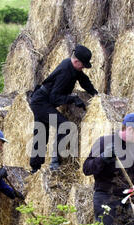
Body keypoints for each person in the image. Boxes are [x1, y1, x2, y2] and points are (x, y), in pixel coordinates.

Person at [30, 44, 98, 173]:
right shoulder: (66, 72)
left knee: (41, 133)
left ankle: (35, 168)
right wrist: (72, 98)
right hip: (41, 102)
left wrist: (95, 94)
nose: (83, 67)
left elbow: (83, 80)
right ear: (76, 61)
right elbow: (55, 98)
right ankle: (55, 160)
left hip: (43, 100)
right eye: (83, 64)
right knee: (65, 126)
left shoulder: (72, 66)